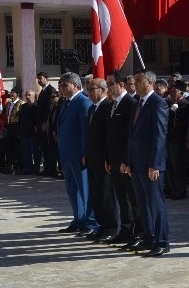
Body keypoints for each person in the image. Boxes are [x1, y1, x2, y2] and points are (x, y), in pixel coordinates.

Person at [121, 70, 170, 257]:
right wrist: (127, 160)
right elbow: (131, 135)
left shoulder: (158, 104)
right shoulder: (139, 103)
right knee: (143, 204)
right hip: (137, 163)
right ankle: (149, 237)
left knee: (156, 204)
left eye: (138, 81)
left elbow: (159, 137)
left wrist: (155, 164)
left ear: (149, 82)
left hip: (151, 165)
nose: (134, 83)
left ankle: (162, 241)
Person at [55, 73, 98, 235]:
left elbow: (85, 131)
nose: (61, 87)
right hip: (67, 154)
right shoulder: (66, 103)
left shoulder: (83, 102)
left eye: (65, 85)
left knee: (85, 190)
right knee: (72, 190)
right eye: (61, 84)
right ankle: (79, 219)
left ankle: (91, 222)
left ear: (75, 85)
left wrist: (85, 152)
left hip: (79, 155)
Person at [105, 73, 137, 246]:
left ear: (121, 84)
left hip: (125, 162)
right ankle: (125, 230)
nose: (108, 87)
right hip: (115, 160)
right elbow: (110, 134)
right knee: (121, 199)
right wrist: (108, 159)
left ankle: (136, 233)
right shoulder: (114, 104)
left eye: (111, 83)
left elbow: (129, 136)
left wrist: (126, 160)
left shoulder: (130, 104)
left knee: (133, 199)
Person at [83, 78, 111, 240]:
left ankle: (111, 226)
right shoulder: (93, 108)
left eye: (92, 89)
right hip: (93, 158)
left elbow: (108, 135)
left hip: (103, 159)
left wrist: (107, 158)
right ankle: (102, 225)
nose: (89, 92)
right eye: (89, 88)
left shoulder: (107, 107)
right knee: (96, 194)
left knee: (106, 194)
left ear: (102, 90)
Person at [35, 72, 56, 176]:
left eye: (40, 78)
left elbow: (49, 108)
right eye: (37, 78)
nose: (39, 80)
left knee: (49, 147)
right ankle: (47, 168)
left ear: (47, 79)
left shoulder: (51, 90)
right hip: (40, 123)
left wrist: (45, 123)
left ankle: (51, 169)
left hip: (46, 124)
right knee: (44, 147)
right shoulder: (42, 91)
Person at [18, 90, 39, 174]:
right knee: (26, 152)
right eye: (26, 95)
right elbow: (20, 120)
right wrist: (19, 132)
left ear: (34, 96)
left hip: (32, 133)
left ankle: (36, 169)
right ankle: (28, 169)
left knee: (35, 152)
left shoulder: (36, 106)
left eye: (29, 95)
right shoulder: (23, 106)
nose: (27, 96)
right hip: (23, 133)